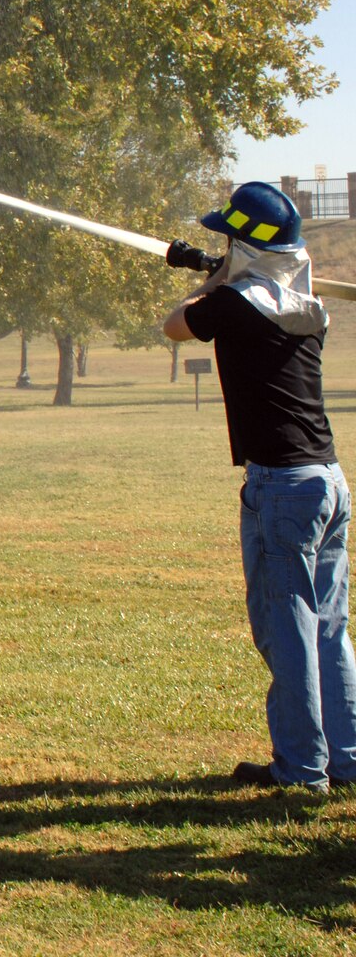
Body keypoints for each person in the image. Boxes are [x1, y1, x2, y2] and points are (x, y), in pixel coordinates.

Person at [164, 181, 350, 791]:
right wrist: (228, 273)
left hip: (283, 489)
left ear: (245, 245)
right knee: (326, 628)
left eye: (228, 237)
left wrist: (213, 278)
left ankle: (300, 770)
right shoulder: (306, 306)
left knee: (288, 629)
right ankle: (345, 760)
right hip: (326, 479)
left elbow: (175, 325)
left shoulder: (237, 303)